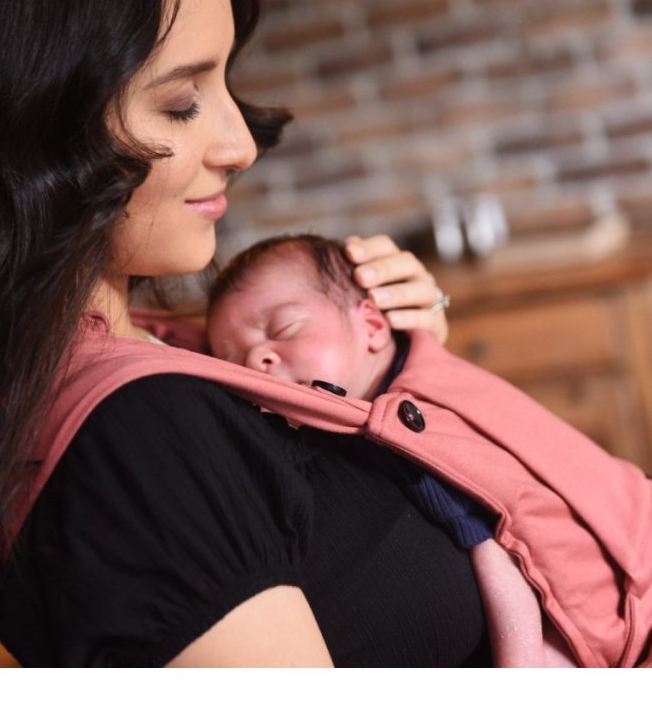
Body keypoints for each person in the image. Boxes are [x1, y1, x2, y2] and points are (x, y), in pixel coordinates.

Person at [0, 0, 652, 667]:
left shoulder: (163, 354)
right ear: (29, 134)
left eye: (226, 83)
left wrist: (399, 370)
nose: (239, 143)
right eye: (181, 102)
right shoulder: (135, 441)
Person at [204, 233, 583, 667]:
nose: (257, 361)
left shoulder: (407, 425)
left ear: (372, 325)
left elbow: (501, 554)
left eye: (283, 329)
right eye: (235, 362)